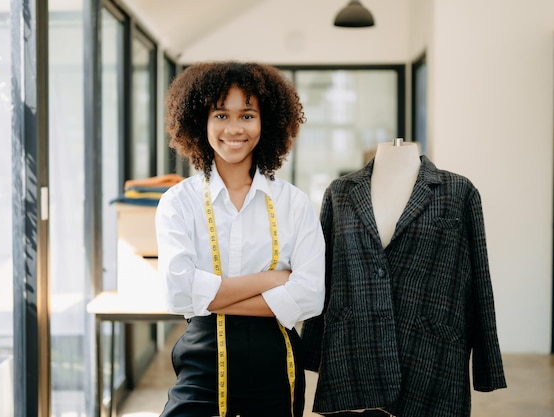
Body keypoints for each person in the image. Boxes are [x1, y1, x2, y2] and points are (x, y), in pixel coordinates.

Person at [155, 61, 326, 417]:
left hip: (276, 367)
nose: (234, 128)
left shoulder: (293, 203)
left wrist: (209, 296)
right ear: (200, 122)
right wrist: (273, 280)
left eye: (247, 115)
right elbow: (177, 293)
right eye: (221, 115)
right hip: (201, 363)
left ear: (268, 123)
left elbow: (310, 297)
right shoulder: (178, 202)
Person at [301, 139, 506, 417]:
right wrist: (311, 352)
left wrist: (486, 365)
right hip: (353, 351)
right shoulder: (341, 192)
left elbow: (479, 281)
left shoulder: (459, 191)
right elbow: (323, 275)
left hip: (430, 354)